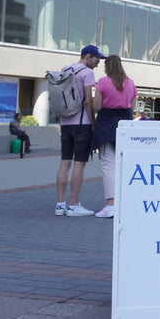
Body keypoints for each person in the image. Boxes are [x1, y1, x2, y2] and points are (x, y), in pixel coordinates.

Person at [54, 45, 104, 217]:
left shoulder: (65, 69)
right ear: (88, 56)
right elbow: (89, 100)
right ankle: (74, 205)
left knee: (64, 162)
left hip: (65, 122)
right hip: (81, 122)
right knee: (79, 164)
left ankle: (60, 205)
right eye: (97, 59)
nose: (98, 64)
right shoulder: (87, 73)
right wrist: (93, 122)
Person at [91, 55, 137, 218]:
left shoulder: (103, 82)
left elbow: (97, 106)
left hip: (106, 124)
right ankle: (125, 203)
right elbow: (132, 107)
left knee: (108, 165)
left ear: (107, 67)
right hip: (125, 123)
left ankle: (111, 205)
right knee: (124, 165)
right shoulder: (130, 82)